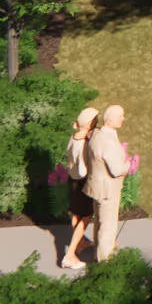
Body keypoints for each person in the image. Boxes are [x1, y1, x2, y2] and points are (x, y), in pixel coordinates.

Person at [84, 105, 129, 263]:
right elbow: (116, 170)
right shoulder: (108, 141)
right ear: (109, 120)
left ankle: (98, 254)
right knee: (108, 228)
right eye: (120, 116)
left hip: (96, 186)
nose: (123, 118)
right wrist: (128, 165)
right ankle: (105, 263)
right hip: (108, 189)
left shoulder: (97, 134)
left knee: (99, 223)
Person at [59, 106, 99, 269]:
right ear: (90, 124)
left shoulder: (74, 137)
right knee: (86, 217)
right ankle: (70, 255)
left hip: (72, 180)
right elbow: (83, 170)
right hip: (82, 183)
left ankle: (81, 242)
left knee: (76, 213)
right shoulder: (82, 144)